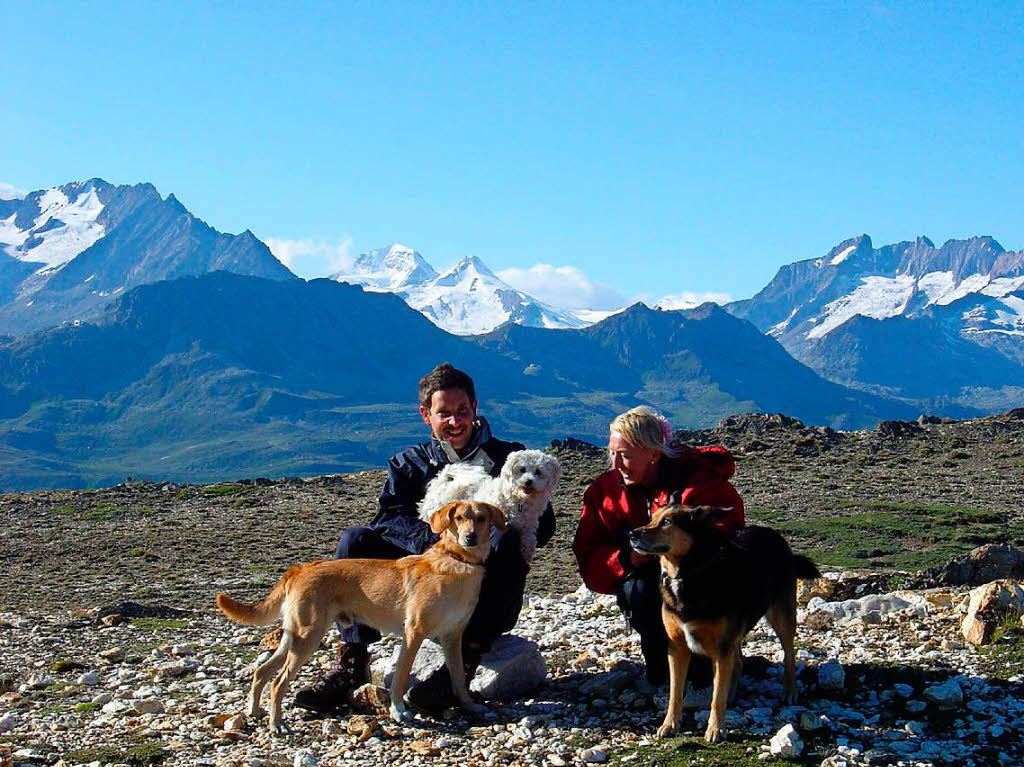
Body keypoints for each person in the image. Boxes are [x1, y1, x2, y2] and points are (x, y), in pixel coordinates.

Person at [295, 362, 556, 714]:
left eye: (462, 411)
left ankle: (463, 663)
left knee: (506, 545)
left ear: (475, 408)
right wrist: (435, 544)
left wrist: (490, 534)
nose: (455, 421)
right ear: (425, 415)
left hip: (483, 575)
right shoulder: (408, 463)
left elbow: (543, 525)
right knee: (355, 541)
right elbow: (388, 517)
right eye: (443, 413)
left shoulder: (510, 460)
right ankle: (353, 662)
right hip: (427, 573)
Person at [572, 406, 744, 690]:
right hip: (648, 586)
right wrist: (626, 560)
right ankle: (663, 670)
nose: (616, 464)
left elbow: (729, 542)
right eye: (612, 453)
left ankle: (717, 668)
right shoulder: (605, 492)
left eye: (624, 455)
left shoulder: (699, 485)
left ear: (653, 453)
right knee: (638, 591)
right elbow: (589, 551)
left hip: (701, 584)